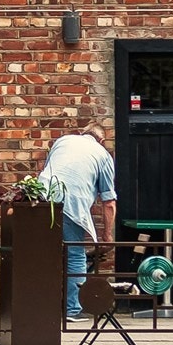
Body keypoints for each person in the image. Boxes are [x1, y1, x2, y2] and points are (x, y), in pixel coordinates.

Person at [37, 122, 117, 323]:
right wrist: (107, 235)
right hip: (70, 203)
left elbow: (51, 169)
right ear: (102, 140)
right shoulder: (102, 155)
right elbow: (109, 202)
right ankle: (72, 309)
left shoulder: (63, 141)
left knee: (41, 254)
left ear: (82, 133)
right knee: (75, 255)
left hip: (40, 197)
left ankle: (38, 305)